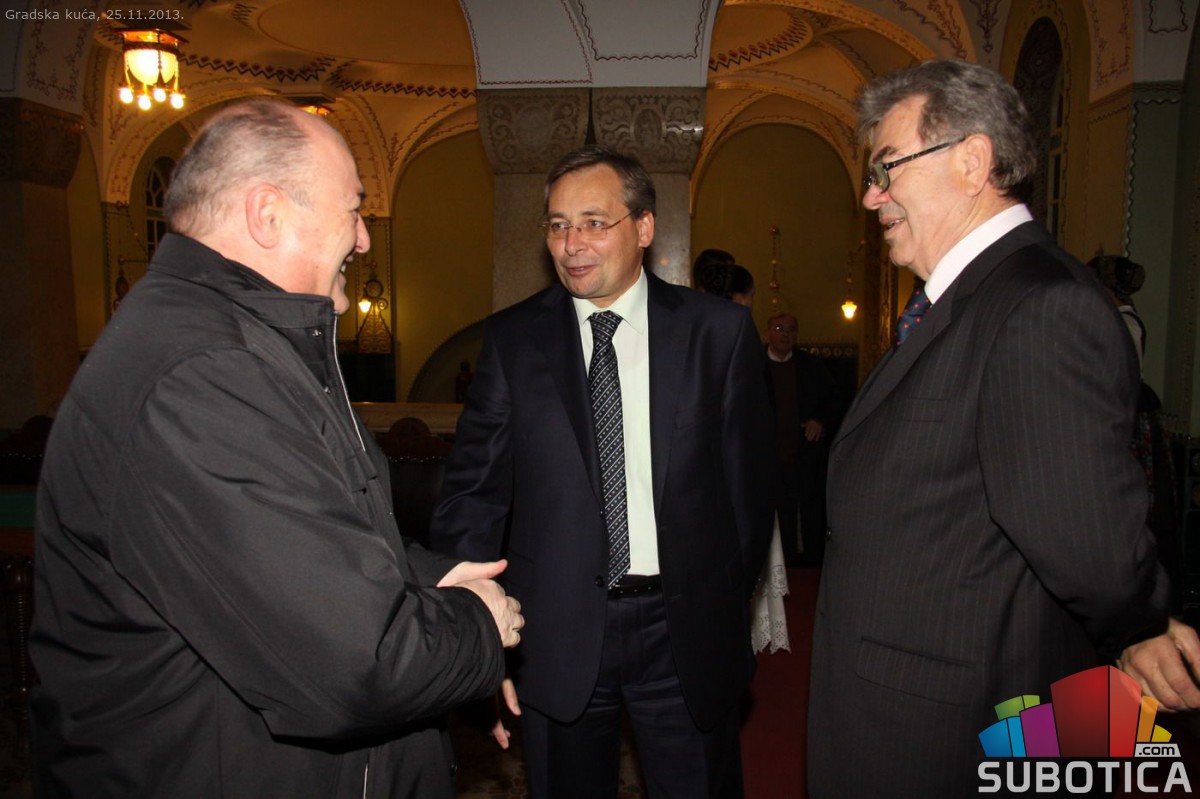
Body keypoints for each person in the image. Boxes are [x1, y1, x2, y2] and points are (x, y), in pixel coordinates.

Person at [30, 100, 524, 798]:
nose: (362, 239)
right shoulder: (201, 375)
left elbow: (310, 539)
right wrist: (479, 623)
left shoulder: (242, 347)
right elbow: (357, 664)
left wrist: (434, 580)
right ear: (267, 214)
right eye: (353, 209)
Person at [807, 60, 1169, 797]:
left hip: (957, 725)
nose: (872, 195)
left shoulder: (1039, 306)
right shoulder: (967, 299)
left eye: (887, 168)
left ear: (972, 161)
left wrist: (1145, 626)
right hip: (912, 702)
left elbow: (1086, 537)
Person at [430, 145, 773, 798]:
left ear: (643, 228)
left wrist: (717, 602)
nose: (572, 244)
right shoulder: (514, 341)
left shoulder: (718, 334)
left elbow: (749, 498)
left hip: (684, 633)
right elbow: (472, 496)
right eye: (558, 225)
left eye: (593, 222)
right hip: (553, 634)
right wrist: (476, 635)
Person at [763, 312, 837, 567]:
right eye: (779, 328)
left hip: (804, 455)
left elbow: (833, 401)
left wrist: (820, 422)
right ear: (767, 333)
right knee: (774, 515)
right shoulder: (753, 365)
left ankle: (809, 565)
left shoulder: (811, 366)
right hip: (767, 458)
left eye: (791, 329)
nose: (785, 334)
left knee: (810, 513)